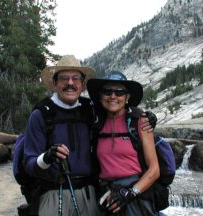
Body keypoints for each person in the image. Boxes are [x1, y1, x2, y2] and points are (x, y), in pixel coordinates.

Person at [22, 55, 156, 216]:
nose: (70, 83)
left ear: (82, 84)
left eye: (76, 78)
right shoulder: (41, 114)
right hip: (52, 194)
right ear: (55, 83)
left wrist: (145, 116)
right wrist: (47, 157)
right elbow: (29, 163)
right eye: (64, 78)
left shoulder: (91, 109)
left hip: (91, 196)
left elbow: (118, 108)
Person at [87, 71, 160, 216]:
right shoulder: (95, 122)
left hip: (135, 197)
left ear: (127, 97)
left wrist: (130, 193)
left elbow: (154, 170)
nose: (113, 96)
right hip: (107, 196)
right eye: (107, 91)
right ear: (100, 96)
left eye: (119, 92)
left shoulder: (140, 121)